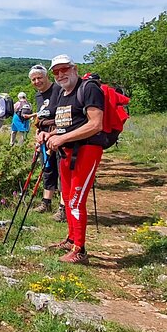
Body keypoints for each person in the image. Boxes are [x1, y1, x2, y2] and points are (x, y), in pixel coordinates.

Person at [38, 54, 105, 265]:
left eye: (64, 69)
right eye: (56, 71)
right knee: (67, 197)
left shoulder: (89, 89)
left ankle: (80, 251)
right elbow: (68, 124)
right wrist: (50, 134)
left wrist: (62, 138)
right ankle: (71, 239)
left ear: (74, 68)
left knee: (76, 200)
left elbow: (96, 124)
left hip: (86, 151)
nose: (60, 74)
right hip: (66, 153)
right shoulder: (63, 93)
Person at [29, 64, 66, 221]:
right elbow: (41, 117)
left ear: (47, 77)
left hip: (60, 135)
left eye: (40, 78)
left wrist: (51, 133)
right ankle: (46, 202)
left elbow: (65, 115)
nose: (37, 81)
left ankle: (63, 208)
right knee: (47, 169)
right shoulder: (39, 95)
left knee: (62, 171)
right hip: (44, 137)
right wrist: (38, 133)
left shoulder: (58, 90)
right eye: (34, 79)